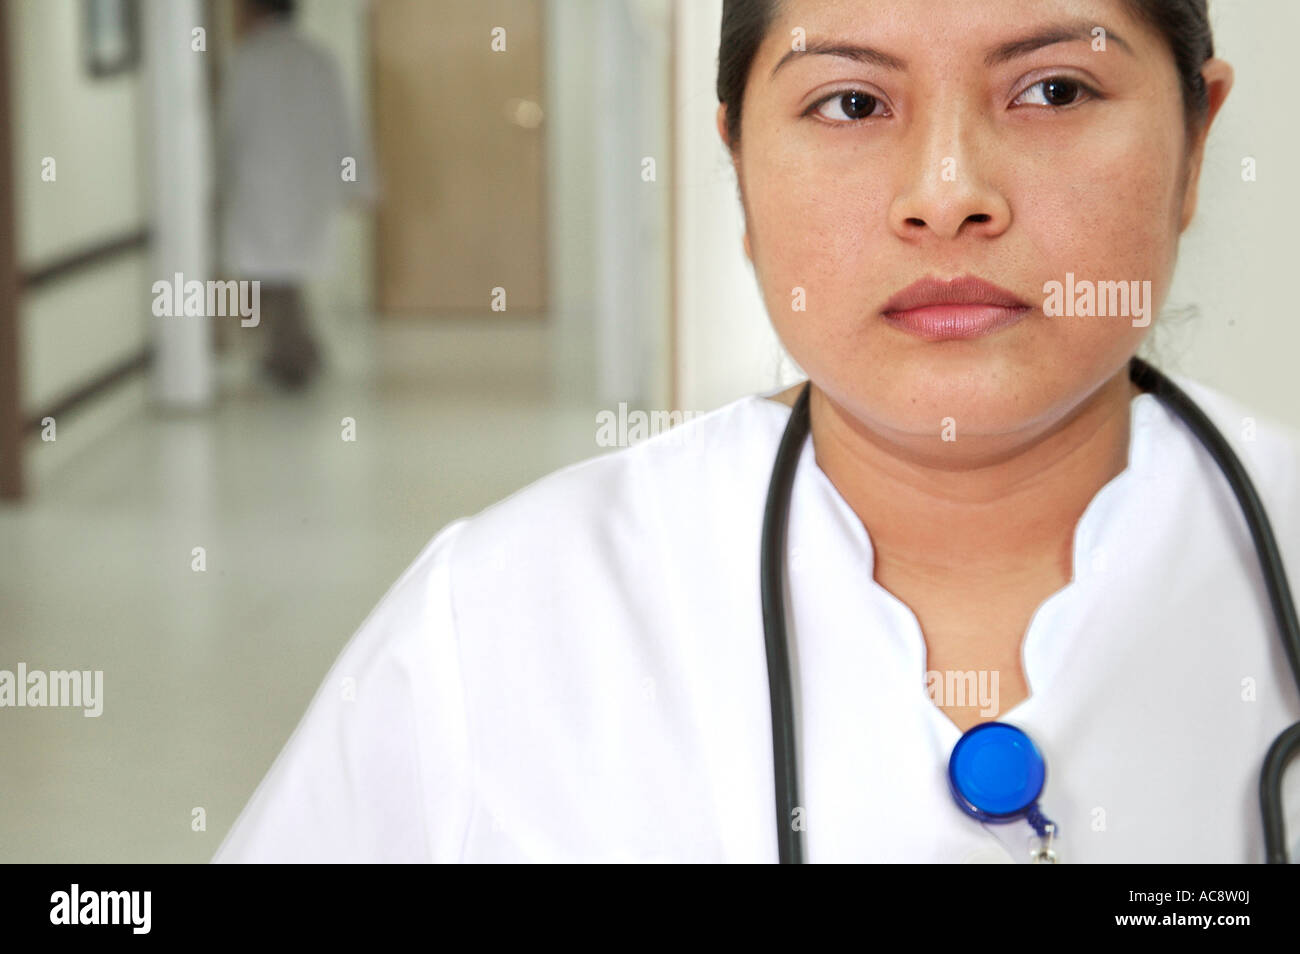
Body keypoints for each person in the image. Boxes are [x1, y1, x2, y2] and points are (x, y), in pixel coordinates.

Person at [212, 0, 1300, 862]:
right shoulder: (497, 614)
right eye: (849, 104)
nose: (945, 193)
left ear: (1194, 144)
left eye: (1052, 89)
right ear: (737, 163)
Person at [216, 0, 364, 390]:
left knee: (269, 276)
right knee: (280, 276)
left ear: (256, 13)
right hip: (305, 188)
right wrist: (355, 183)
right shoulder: (318, 59)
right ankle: (295, 352)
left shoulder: (246, 60)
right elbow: (345, 125)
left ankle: (291, 356)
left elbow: (228, 131)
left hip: (259, 187)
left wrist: (215, 181)